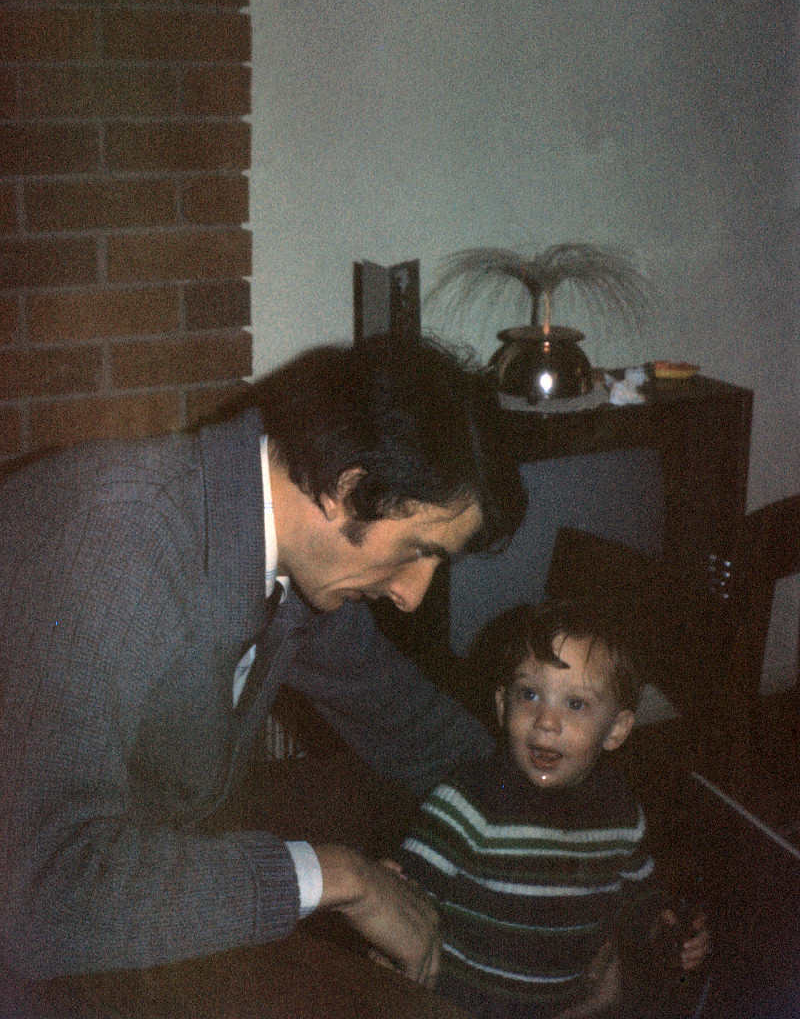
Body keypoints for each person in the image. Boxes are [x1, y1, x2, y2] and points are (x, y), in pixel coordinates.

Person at [0, 335, 527, 989]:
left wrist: (572, 857)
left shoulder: (287, 551)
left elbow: (414, 727)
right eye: (415, 550)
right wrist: (341, 877)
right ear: (343, 490)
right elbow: (42, 897)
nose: (412, 595)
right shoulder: (117, 540)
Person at [398, 599, 710, 1018]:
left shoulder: (619, 812)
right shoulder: (467, 803)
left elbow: (636, 894)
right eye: (529, 695)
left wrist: (663, 925)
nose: (546, 720)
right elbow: (403, 901)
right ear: (502, 706)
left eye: (575, 704)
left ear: (616, 730)